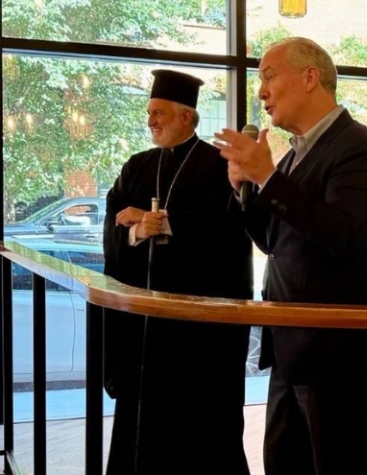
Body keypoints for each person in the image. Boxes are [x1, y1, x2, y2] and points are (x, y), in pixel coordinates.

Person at [215, 37, 367, 475]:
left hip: (336, 349)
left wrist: (267, 176)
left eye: (269, 76)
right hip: (289, 345)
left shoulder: (360, 147)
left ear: (311, 77)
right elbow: (275, 243)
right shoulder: (298, 153)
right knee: (283, 464)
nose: (261, 92)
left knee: (338, 467)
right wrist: (244, 188)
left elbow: (341, 234)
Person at [103, 69, 253, 475]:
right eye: (149, 113)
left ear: (186, 117)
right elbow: (113, 225)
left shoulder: (218, 166)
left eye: (160, 112)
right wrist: (136, 232)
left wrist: (165, 223)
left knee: (201, 432)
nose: (151, 120)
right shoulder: (135, 167)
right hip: (143, 330)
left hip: (198, 337)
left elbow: (232, 233)